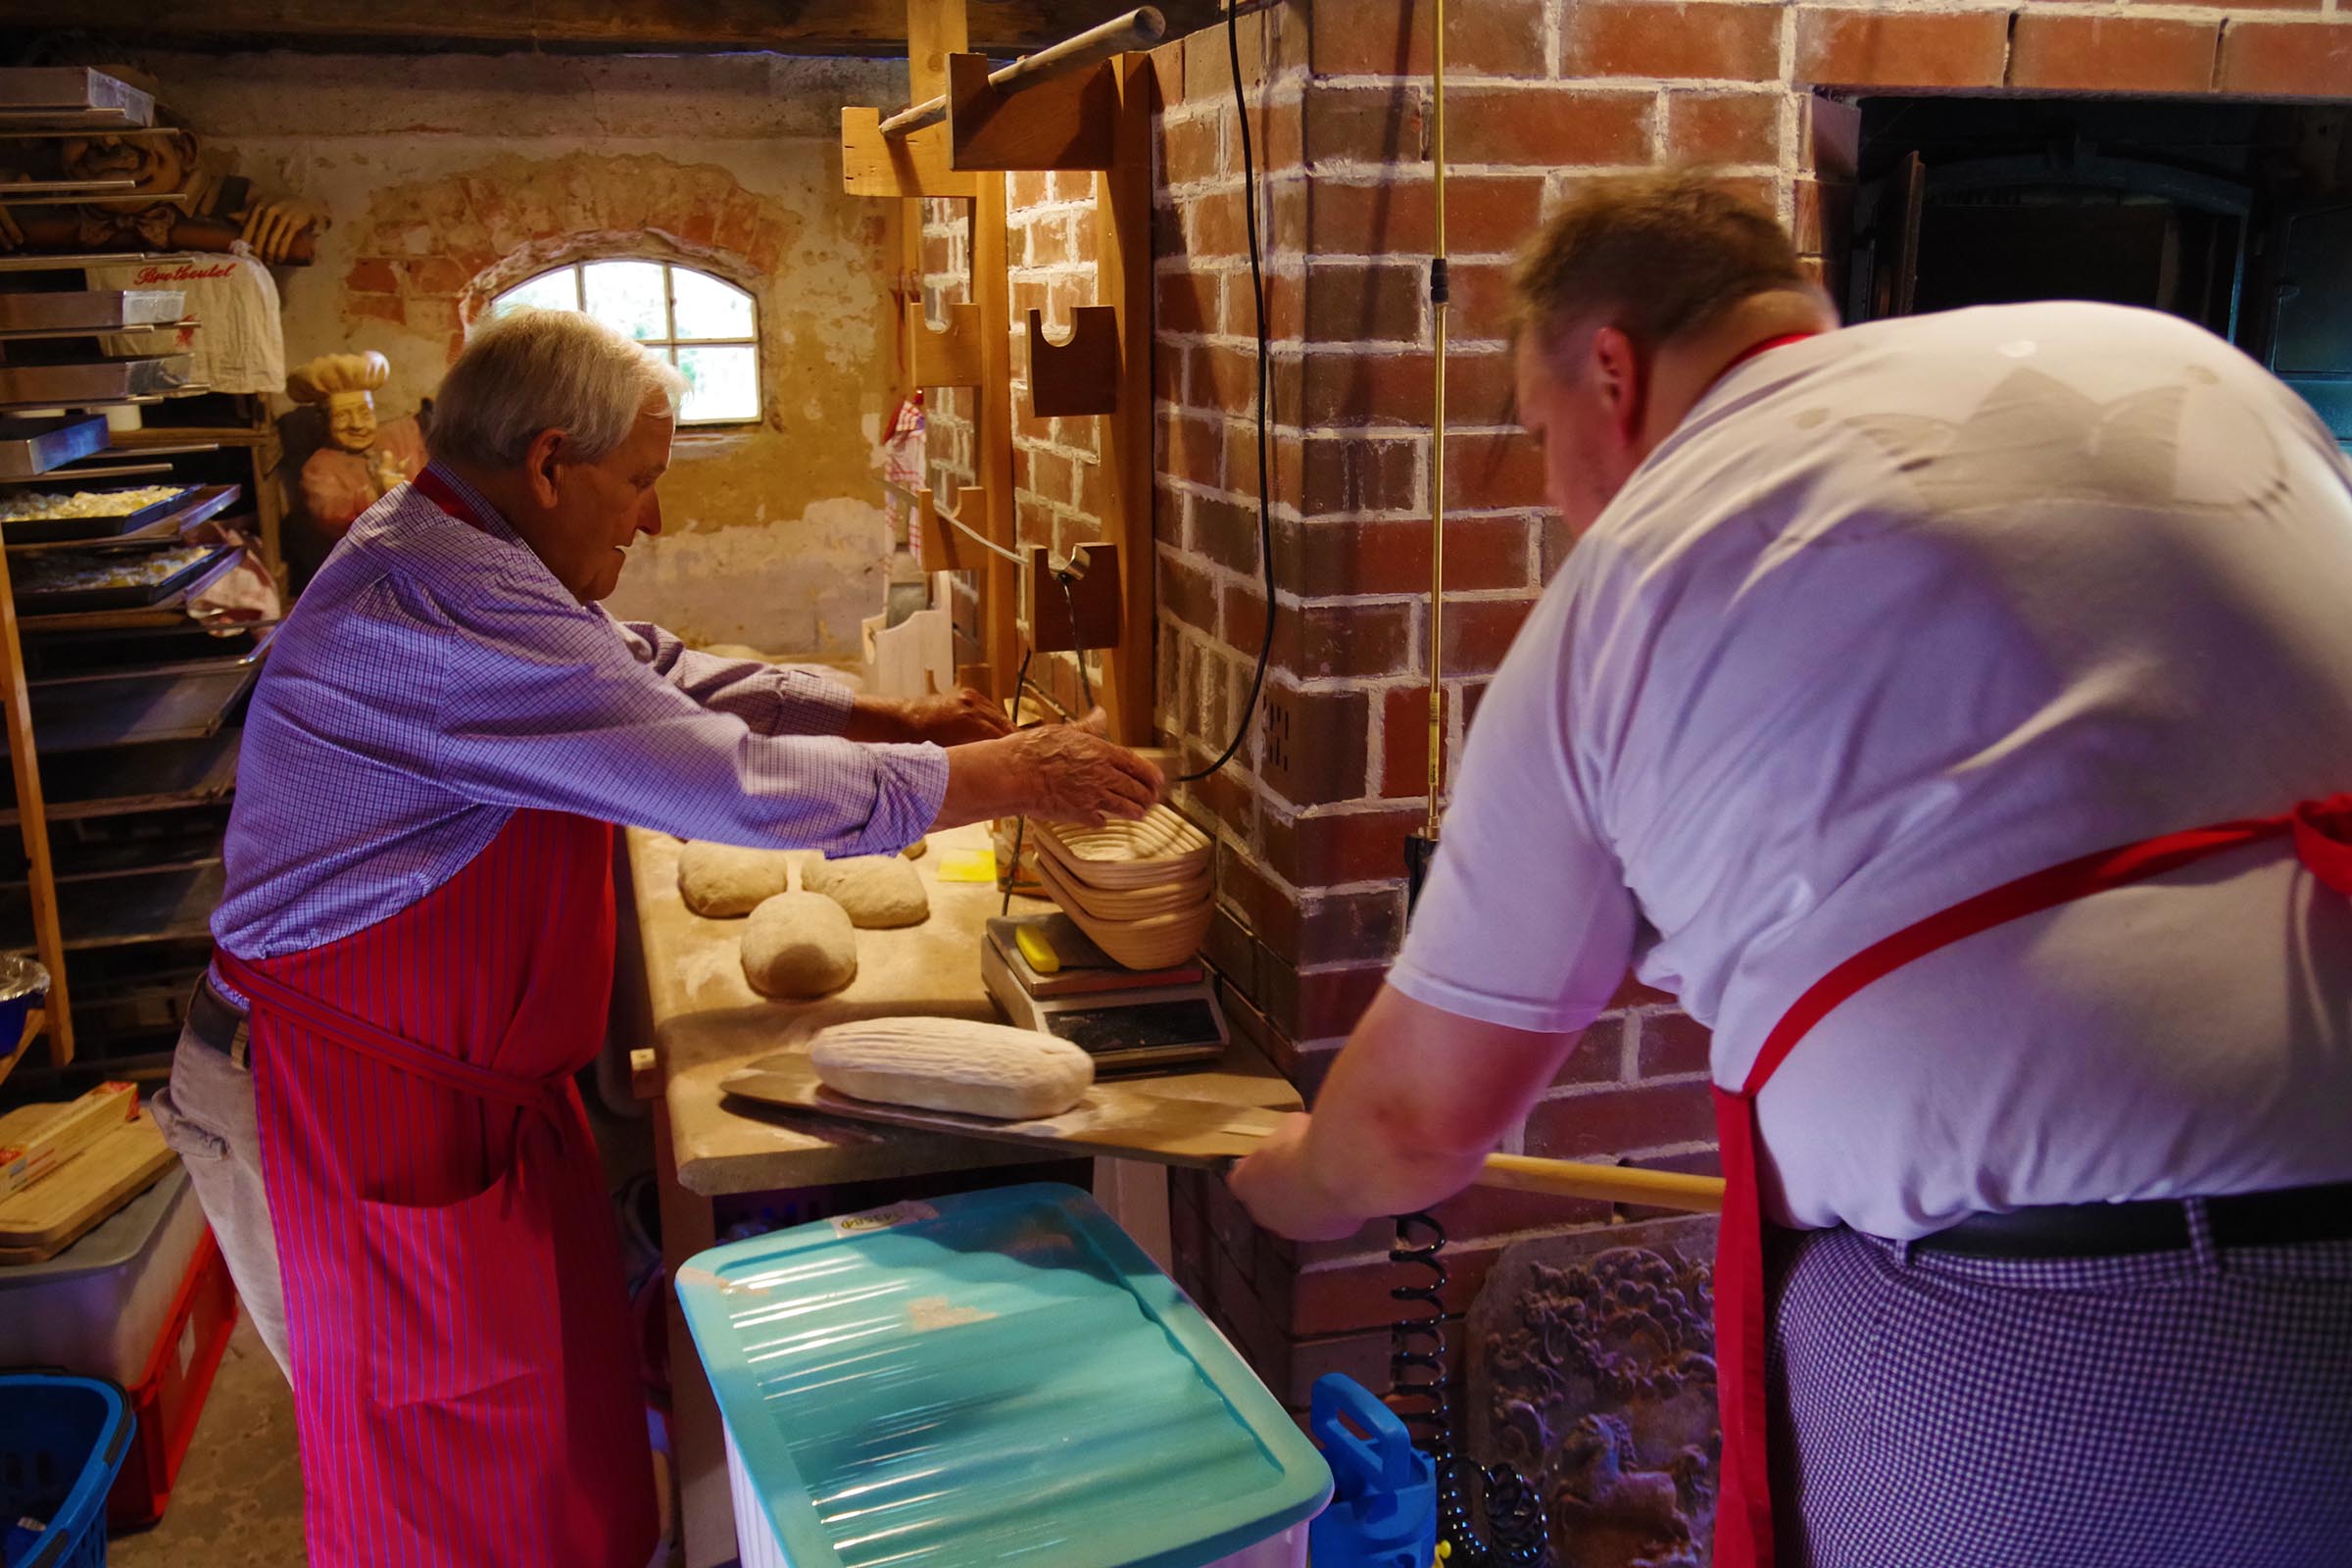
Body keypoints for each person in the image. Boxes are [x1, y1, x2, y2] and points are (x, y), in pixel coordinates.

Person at [1229, 172, 2352, 1568]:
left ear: (1611, 372)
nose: (1562, 498)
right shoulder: (2181, 360)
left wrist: (1280, 1181)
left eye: (1538, 434)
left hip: (2068, 1335)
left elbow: (1411, 1127)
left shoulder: (1642, 564)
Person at [150, 308, 1162, 1568]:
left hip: (441, 1105)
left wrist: (885, 718)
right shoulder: (429, 604)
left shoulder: (464, 552)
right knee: (444, 1482)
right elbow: (720, 780)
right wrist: (1007, 777)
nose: (654, 515)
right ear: (549, 462)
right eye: (639, 480)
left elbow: (650, 672)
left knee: (533, 1449)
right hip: (338, 1111)